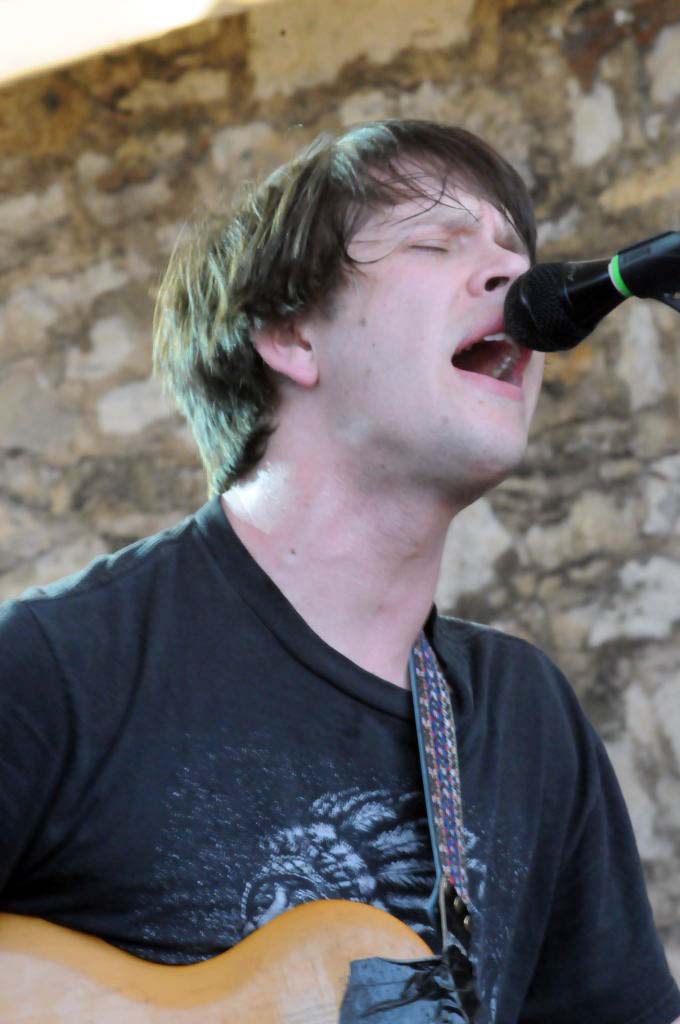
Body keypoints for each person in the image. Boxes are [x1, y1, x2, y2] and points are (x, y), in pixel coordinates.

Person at [0, 119, 678, 1024]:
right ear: (291, 334)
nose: (512, 274)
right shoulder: (55, 669)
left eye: (514, 251)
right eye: (435, 243)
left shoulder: (526, 719)